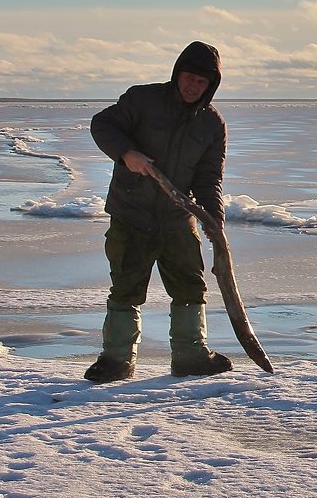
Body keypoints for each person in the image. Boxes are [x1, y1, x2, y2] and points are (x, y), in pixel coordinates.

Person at [85, 41, 233, 383]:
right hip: (131, 213)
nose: (193, 86)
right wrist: (127, 153)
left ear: (211, 86)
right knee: (126, 286)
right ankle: (116, 360)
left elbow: (209, 177)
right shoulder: (143, 99)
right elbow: (102, 124)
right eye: (189, 77)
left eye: (202, 82)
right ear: (177, 73)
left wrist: (215, 223)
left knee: (189, 287)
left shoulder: (212, 124)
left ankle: (191, 355)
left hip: (177, 219)